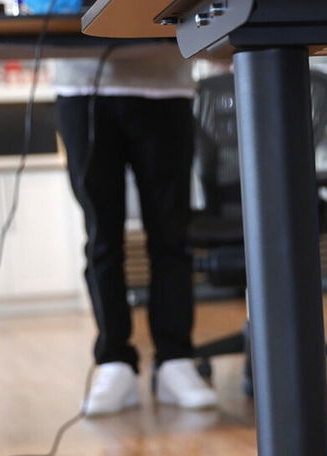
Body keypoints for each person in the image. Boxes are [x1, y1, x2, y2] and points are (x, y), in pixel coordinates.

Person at [54, 44, 219, 416]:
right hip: (83, 89)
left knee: (171, 236)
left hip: (164, 88)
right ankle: (115, 363)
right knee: (101, 238)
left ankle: (176, 358)